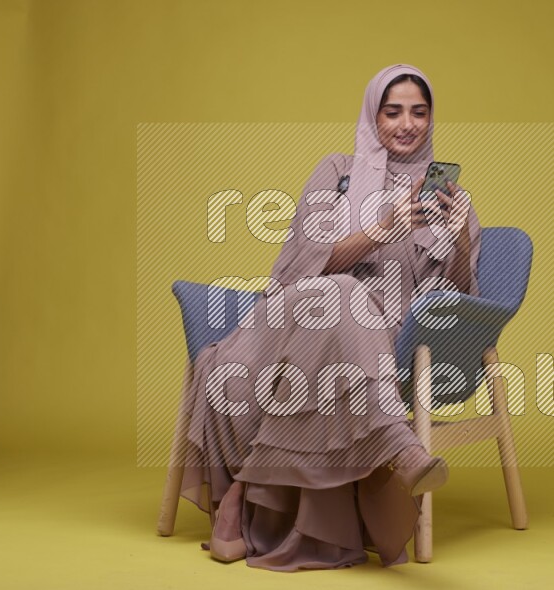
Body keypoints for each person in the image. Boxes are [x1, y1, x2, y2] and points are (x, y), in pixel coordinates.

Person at [177, 63, 483, 571]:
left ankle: (242, 494)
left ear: (432, 119)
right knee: (340, 292)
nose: (407, 124)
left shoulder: (453, 200)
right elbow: (296, 269)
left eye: (419, 112)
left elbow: (454, 302)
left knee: (348, 313)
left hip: (374, 346)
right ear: (372, 116)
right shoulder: (336, 173)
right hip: (295, 317)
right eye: (393, 112)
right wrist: (379, 232)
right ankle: (397, 445)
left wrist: (460, 236)